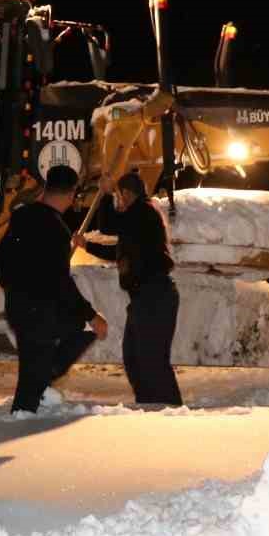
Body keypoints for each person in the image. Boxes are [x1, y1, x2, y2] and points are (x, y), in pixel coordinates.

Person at [0, 164, 108, 412]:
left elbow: (1, 258)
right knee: (35, 374)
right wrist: (91, 315)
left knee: (35, 367)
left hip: (19, 306)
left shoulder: (21, 216)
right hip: (41, 311)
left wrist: (13, 287)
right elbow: (60, 282)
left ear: (46, 188)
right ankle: (24, 418)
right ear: (70, 195)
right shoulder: (56, 229)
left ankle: (38, 388)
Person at [75, 172, 183, 406]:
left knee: (153, 360)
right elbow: (118, 253)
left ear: (125, 194)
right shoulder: (136, 222)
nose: (119, 202)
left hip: (155, 296)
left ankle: (172, 410)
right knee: (134, 358)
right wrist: (87, 245)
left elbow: (109, 224)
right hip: (144, 299)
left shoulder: (144, 212)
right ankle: (148, 404)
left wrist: (103, 195)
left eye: (119, 197)